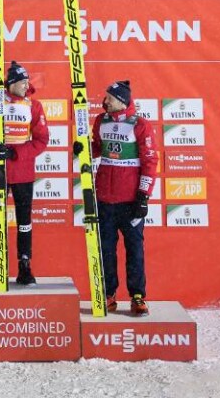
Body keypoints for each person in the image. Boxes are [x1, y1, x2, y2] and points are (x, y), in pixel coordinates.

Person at [0, 61, 49, 286]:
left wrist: (15, 152)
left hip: (23, 170)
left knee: (25, 221)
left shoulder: (33, 106)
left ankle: (25, 264)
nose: (27, 86)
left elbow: (42, 140)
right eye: (23, 82)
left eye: (28, 82)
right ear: (11, 83)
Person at [84, 78, 158, 315]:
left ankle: (137, 296)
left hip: (130, 201)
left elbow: (149, 162)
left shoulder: (140, 124)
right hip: (105, 198)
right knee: (106, 249)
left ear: (121, 101)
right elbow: (97, 147)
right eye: (106, 97)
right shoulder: (100, 121)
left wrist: (143, 196)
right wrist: (83, 148)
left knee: (134, 248)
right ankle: (108, 294)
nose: (105, 101)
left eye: (110, 98)